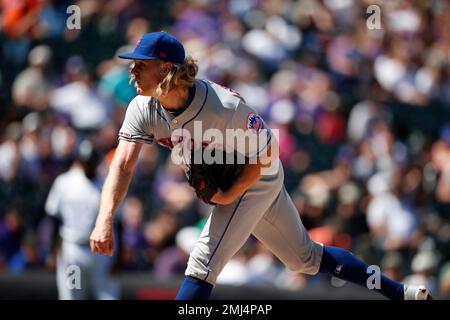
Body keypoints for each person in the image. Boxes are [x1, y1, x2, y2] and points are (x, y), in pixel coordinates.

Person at [89, 31, 432, 300]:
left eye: (140, 64)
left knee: (203, 261)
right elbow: (122, 166)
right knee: (305, 259)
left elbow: (269, 153)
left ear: (165, 69)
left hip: (257, 175)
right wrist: (105, 220)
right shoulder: (142, 107)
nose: (132, 70)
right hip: (240, 175)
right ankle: (399, 294)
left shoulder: (223, 107)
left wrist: (231, 193)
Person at [46, 140, 119, 300]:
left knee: (108, 296)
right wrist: (53, 251)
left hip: (101, 252)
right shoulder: (65, 182)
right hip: (73, 250)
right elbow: (54, 218)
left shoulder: (106, 184)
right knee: (72, 295)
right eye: (86, 162)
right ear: (79, 161)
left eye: (91, 162)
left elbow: (116, 222)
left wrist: (118, 257)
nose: (88, 165)